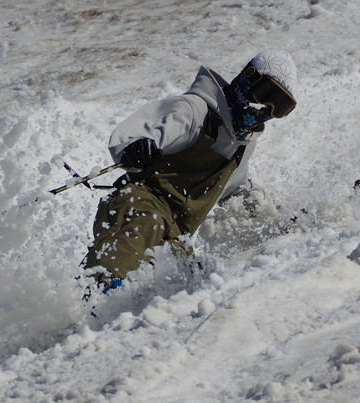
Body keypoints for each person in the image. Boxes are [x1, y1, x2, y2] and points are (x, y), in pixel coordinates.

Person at [83, 50, 298, 291]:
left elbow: (239, 189)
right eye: (267, 95)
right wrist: (139, 147)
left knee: (186, 282)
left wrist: (280, 221)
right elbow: (138, 135)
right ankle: (93, 294)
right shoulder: (194, 110)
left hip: (177, 235)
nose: (267, 109)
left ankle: (130, 321)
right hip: (140, 204)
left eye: (280, 107)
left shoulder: (241, 147)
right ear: (248, 79)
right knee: (143, 227)